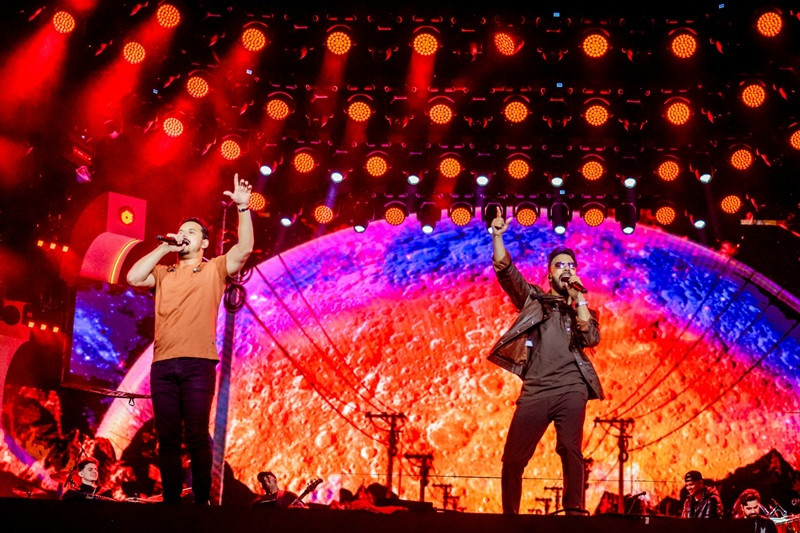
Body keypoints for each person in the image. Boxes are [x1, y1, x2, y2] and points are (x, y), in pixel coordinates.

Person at [126, 174, 253, 505]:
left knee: (196, 435)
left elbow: (245, 249)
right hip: (163, 365)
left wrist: (243, 207)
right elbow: (133, 276)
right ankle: (170, 504)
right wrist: (164, 247)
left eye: (191, 233)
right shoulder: (163, 272)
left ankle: (200, 503)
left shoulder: (215, 269)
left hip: (198, 363)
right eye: (181, 232)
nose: (184, 236)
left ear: (205, 243)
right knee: (166, 438)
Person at [487, 207, 603, 515]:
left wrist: (579, 297)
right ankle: (510, 516)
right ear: (549, 274)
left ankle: (574, 509)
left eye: (570, 265)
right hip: (536, 389)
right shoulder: (534, 300)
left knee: (570, 448)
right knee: (513, 459)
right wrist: (498, 236)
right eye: (559, 265)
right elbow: (506, 272)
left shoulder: (583, 307)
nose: (565, 268)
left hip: (571, 388)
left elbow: (590, 338)